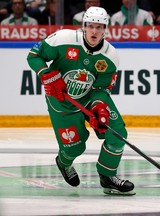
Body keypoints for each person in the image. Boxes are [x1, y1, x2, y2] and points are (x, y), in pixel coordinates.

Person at [26, 6, 135, 195]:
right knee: (75, 147)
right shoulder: (63, 39)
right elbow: (34, 56)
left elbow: (101, 89)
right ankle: (63, 162)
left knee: (117, 134)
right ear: (83, 26)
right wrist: (47, 74)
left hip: (89, 98)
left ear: (105, 29)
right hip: (61, 101)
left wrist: (99, 107)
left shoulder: (110, 56)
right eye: (91, 26)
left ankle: (108, 177)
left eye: (99, 27)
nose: (94, 31)